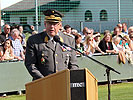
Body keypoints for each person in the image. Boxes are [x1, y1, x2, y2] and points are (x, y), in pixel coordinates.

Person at [25, 9, 78, 80]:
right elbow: (30, 64)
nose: (52, 27)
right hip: (43, 84)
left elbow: (73, 64)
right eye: (49, 23)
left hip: (64, 82)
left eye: (55, 24)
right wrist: (43, 79)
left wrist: (71, 79)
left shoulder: (69, 40)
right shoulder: (34, 41)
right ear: (45, 24)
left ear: (60, 25)